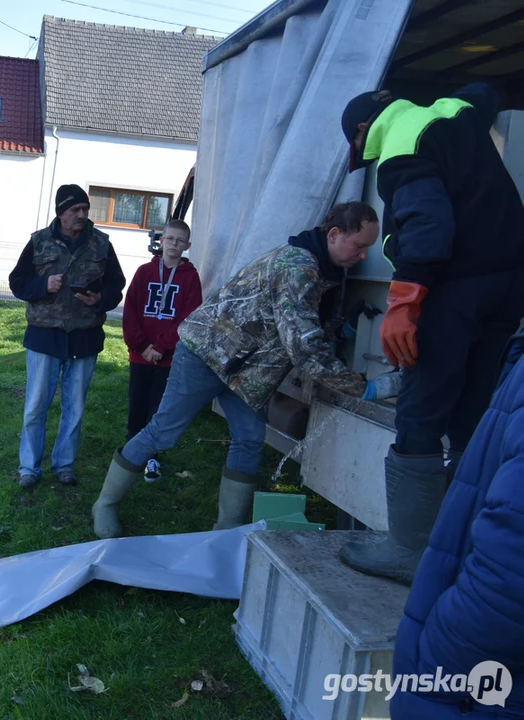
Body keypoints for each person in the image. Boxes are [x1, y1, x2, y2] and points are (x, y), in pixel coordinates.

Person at [91, 202, 400, 539]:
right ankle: (105, 504)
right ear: (335, 235)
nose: (364, 255)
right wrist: (365, 388)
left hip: (247, 370)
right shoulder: (299, 267)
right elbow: (304, 345)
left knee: (250, 439)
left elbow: (299, 322)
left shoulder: (323, 268)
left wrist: (339, 330)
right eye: (360, 245)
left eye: (369, 246)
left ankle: (227, 530)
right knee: (164, 431)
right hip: (206, 355)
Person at [338, 82, 524, 584]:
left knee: (420, 410)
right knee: (473, 413)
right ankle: (463, 547)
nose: (367, 159)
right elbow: (485, 92)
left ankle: (407, 551)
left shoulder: (400, 135)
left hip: (453, 289)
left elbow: (427, 220)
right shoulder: (454, 112)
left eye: (361, 151)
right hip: (508, 287)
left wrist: (403, 301)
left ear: (363, 129)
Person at [391, 329, 524, 718]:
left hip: (467, 680)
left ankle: (402, 547)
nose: (361, 261)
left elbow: (511, 567)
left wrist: (442, 658)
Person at [9, 184, 125, 488]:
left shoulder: (101, 244)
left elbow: (116, 284)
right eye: (75, 210)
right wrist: (42, 285)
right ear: (61, 212)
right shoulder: (39, 242)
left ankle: (64, 465)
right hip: (44, 337)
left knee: (75, 407)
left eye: (85, 209)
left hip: (84, 338)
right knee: (35, 406)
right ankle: (28, 469)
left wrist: (99, 299)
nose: (82, 215)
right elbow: (17, 281)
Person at [121, 220, 203, 481]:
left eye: (180, 241)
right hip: (141, 355)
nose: (174, 244)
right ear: (161, 240)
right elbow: (130, 311)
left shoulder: (190, 277)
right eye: (169, 239)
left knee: (158, 408)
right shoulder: (144, 272)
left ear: (187, 245)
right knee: (137, 403)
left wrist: (161, 346)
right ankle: (130, 454)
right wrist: (142, 346)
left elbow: (189, 316)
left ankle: (152, 458)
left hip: (168, 358)